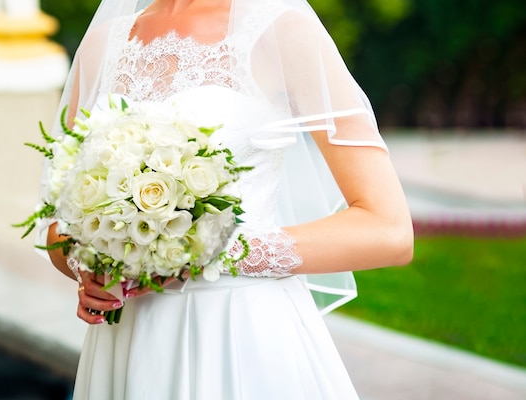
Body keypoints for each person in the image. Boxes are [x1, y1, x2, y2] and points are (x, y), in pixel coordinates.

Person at [39, 0, 414, 398]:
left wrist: (206, 253)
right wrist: (90, 265)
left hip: (239, 330)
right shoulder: (102, 46)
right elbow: (57, 224)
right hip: (128, 339)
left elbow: (388, 229)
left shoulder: (281, 30)